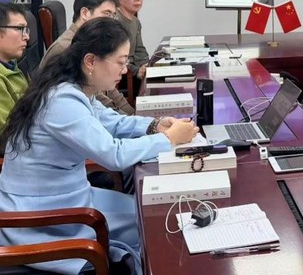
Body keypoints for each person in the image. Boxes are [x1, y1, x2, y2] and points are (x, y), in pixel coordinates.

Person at [0, 17, 198, 275]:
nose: (124, 70)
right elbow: (113, 155)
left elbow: (111, 121)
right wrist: (169, 139)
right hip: (42, 218)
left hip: (66, 197)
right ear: (91, 61)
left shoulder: (74, 87)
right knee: (154, 221)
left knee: (151, 211)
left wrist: (154, 125)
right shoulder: (62, 101)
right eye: (120, 62)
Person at [40, 0, 134, 115]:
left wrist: (131, 112)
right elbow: (96, 97)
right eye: (106, 14)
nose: (111, 21)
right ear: (85, 13)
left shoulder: (92, 41)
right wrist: (127, 116)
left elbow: (108, 86)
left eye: (113, 16)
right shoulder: (66, 48)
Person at [0, 3, 29, 134]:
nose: (26, 37)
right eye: (19, 28)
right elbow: (8, 134)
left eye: (26, 30)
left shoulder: (12, 66)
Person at [114, 0, 149, 85]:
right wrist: (136, 70)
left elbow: (139, 50)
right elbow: (115, 56)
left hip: (134, 70)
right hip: (121, 73)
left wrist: (146, 65)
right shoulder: (114, 21)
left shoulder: (136, 22)